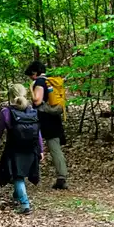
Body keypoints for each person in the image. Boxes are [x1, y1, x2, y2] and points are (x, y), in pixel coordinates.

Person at [0, 84, 44, 215]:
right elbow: (38, 133)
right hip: (31, 149)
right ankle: (17, 195)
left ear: (10, 96)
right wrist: (41, 150)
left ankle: (25, 204)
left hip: (14, 149)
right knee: (18, 174)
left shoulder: (6, 112)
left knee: (17, 176)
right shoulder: (31, 110)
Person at [25, 60, 68, 189]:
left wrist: (31, 89)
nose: (30, 77)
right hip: (54, 118)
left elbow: (37, 101)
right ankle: (62, 177)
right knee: (55, 148)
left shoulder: (38, 82)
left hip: (43, 120)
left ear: (34, 72)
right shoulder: (50, 81)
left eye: (30, 75)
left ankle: (28, 174)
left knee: (32, 145)